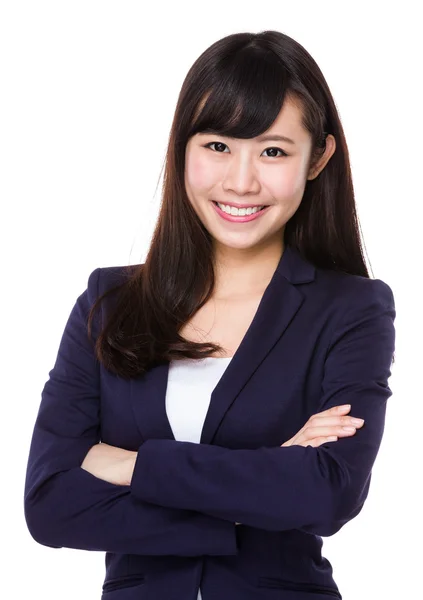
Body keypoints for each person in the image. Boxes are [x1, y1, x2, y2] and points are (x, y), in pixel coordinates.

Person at [24, 30, 396, 600]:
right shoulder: (109, 304)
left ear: (318, 158)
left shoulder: (350, 310)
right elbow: (51, 504)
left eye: (273, 151)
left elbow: (328, 494)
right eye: (218, 146)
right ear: (182, 147)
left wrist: (132, 466)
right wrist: (263, 482)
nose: (241, 182)